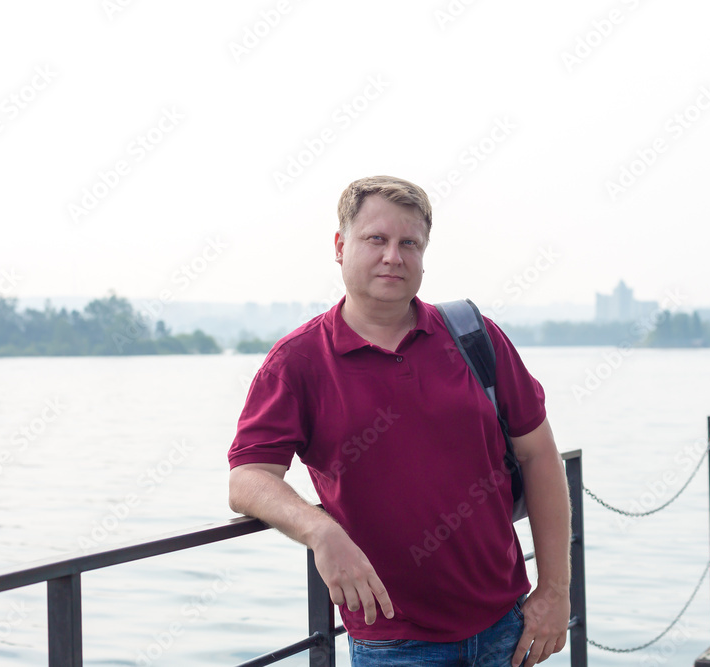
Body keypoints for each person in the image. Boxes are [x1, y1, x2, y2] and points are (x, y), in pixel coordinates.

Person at [228, 175, 571, 666]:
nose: (394, 256)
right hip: (394, 643)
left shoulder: (475, 336)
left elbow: (538, 455)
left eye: (409, 243)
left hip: (507, 627)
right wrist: (319, 531)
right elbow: (247, 478)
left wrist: (555, 590)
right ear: (340, 246)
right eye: (376, 239)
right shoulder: (298, 361)